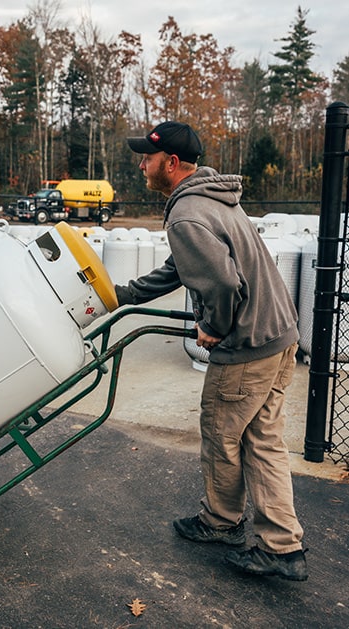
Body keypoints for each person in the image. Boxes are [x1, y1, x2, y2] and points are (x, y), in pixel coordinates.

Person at [116, 121, 308, 581]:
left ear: (172, 163)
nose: (142, 164)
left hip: (247, 346)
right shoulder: (212, 199)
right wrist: (125, 294)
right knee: (261, 440)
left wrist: (212, 327)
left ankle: (227, 526)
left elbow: (221, 282)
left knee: (222, 435)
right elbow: (183, 266)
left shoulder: (186, 215)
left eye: (148, 158)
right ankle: (280, 545)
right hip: (278, 336)